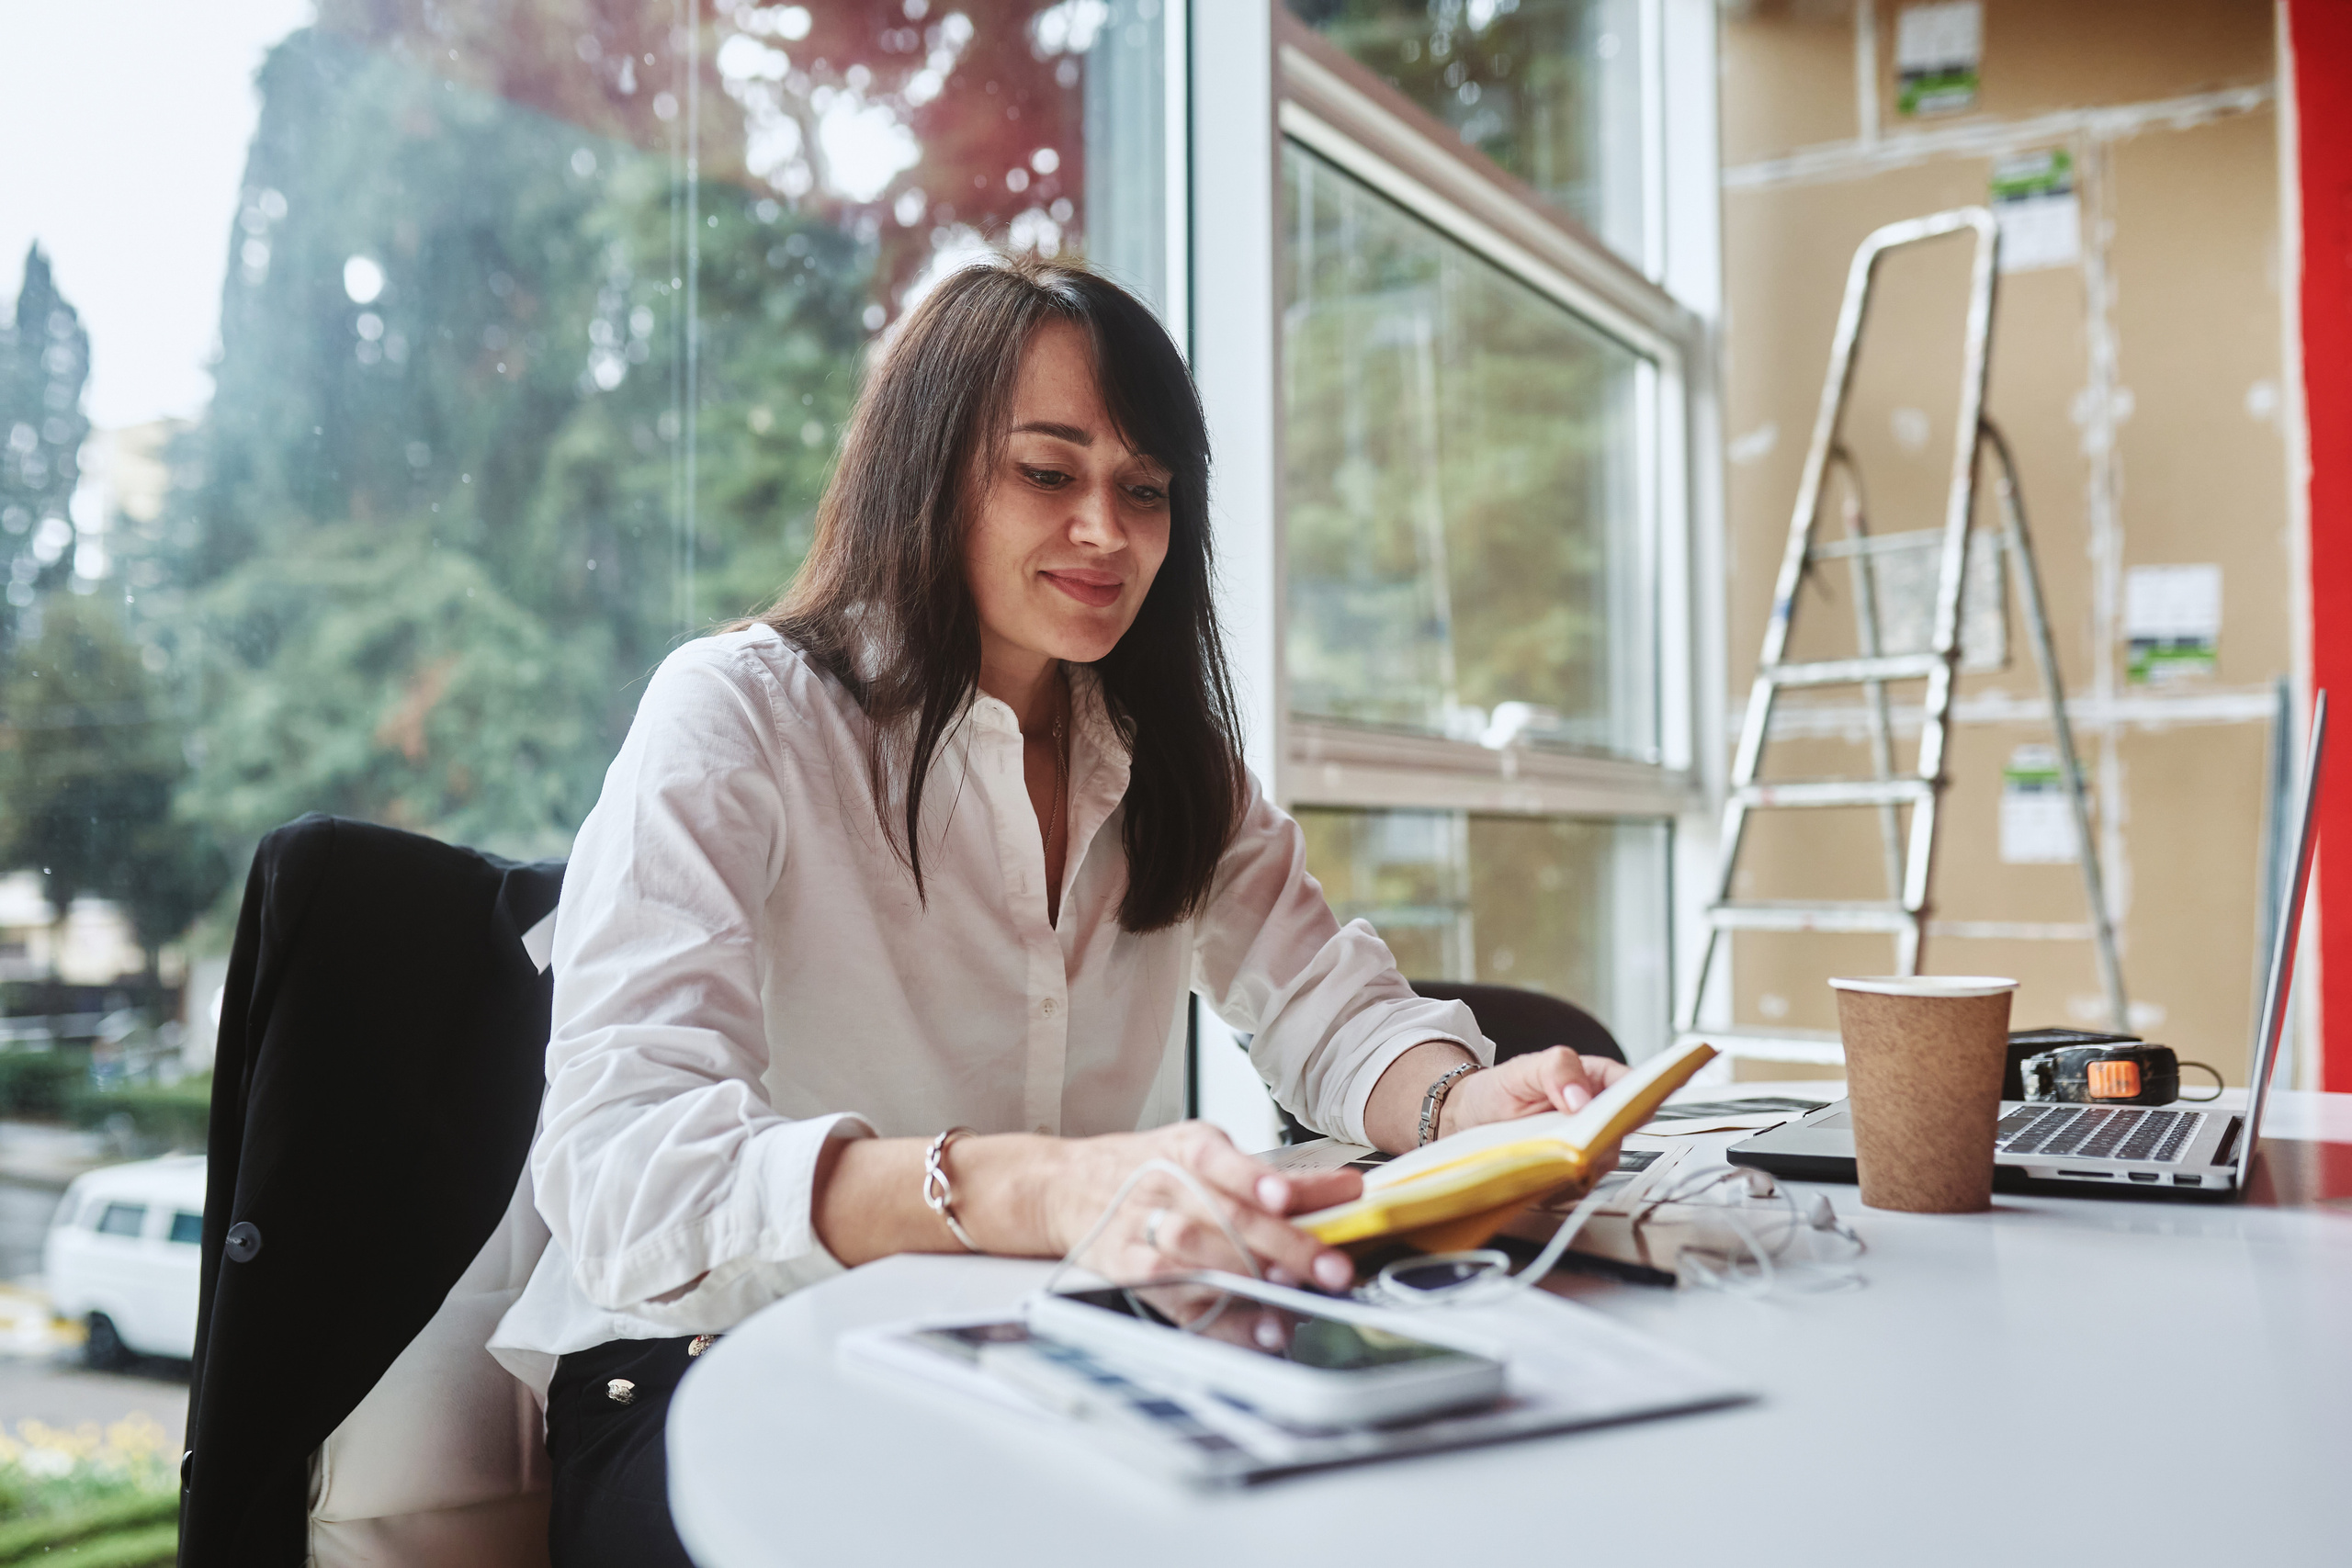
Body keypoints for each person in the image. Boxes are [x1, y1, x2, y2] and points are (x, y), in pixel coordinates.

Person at [489, 255, 1628, 1566]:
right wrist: (1044, 1186)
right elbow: (625, 1173)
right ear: (928, 470)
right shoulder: (739, 712)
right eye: (1049, 472)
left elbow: (1327, 1006)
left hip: (1031, 1347)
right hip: (708, 1366)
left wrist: (1465, 1107)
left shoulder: (1169, 764)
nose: (1107, 530)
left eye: (1144, 490)